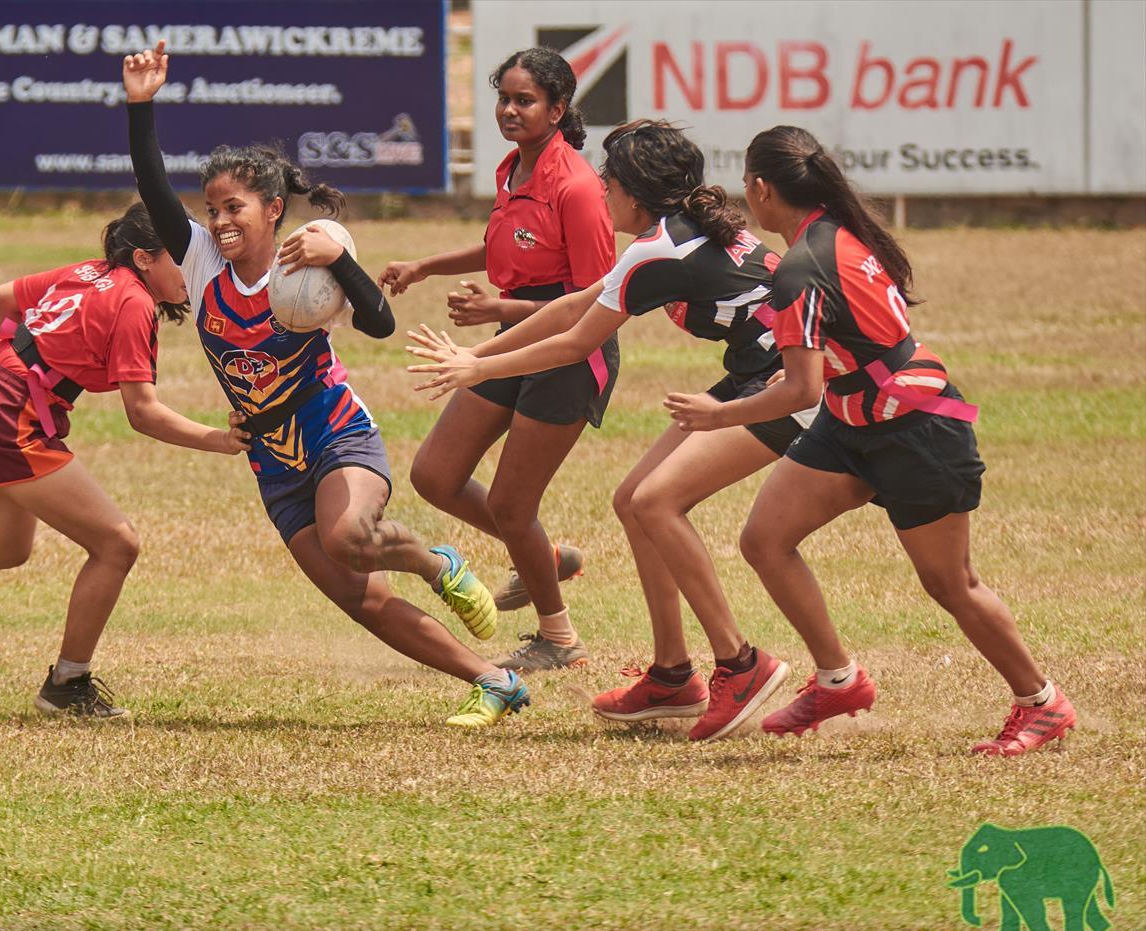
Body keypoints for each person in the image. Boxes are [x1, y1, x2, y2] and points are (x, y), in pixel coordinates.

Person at [123, 43, 530, 728]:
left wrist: (341, 260)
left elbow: (379, 321)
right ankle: (495, 680)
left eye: (235, 208)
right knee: (358, 595)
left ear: (274, 207)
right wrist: (141, 105)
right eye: (213, 208)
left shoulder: (306, 267)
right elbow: (153, 184)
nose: (220, 222)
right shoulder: (198, 263)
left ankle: (437, 564)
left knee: (349, 536)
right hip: (271, 458)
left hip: (334, 428)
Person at [664, 124, 1076, 755]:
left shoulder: (801, 267)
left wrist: (713, 414)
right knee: (766, 540)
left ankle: (1040, 703)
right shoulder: (836, 230)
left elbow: (799, 391)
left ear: (763, 188)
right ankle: (839, 680)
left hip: (915, 428)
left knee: (950, 583)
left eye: (750, 186)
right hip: (852, 417)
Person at [406, 119, 815, 742]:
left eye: (609, 179)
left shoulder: (661, 247)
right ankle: (673, 675)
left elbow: (574, 340)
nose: (601, 189)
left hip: (793, 386)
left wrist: (479, 366)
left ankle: (740, 663)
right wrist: (477, 359)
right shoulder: (674, 234)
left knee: (655, 501)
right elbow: (573, 306)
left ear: (632, 190)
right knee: (634, 500)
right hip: (757, 375)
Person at [0, 204, 251, 719]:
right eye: (186, 257)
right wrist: (220, 439)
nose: (196, 269)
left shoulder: (93, 271)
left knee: (7, 544)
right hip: (5, 411)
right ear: (146, 258)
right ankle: (67, 683)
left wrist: (33, 371)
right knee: (116, 544)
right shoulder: (134, 302)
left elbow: (4, 297)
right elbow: (143, 414)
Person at [378, 47, 616, 674]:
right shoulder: (515, 167)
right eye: (504, 98)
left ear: (558, 110)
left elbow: (592, 302)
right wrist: (425, 266)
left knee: (513, 505)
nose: (509, 111)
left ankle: (559, 639)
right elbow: (501, 243)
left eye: (525, 101)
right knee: (435, 474)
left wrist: (498, 310)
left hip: (569, 356)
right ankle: (546, 552)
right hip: (517, 337)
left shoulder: (580, 188)